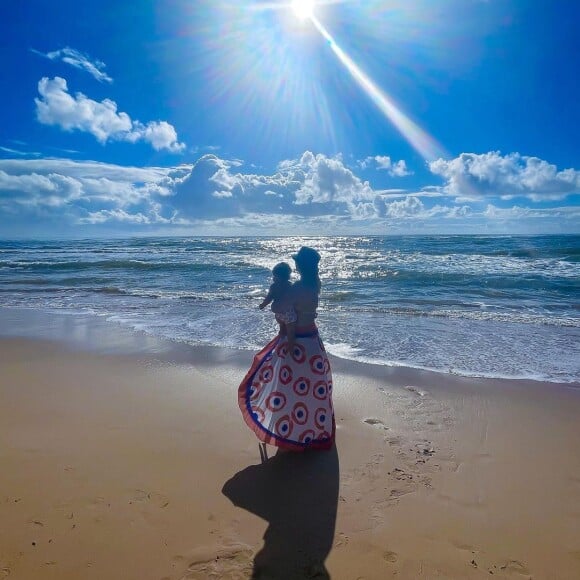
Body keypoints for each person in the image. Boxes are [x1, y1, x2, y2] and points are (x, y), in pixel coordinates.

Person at [238, 247, 335, 452]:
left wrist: (273, 296)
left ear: (301, 266)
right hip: (313, 340)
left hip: (296, 342)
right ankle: (315, 430)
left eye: (297, 261)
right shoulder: (315, 285)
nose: (295, 264)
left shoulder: (296, 289)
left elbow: (277, 308)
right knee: (313, 387)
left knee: (291, 388)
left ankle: (293, 433)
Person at [258, 262, 296, 339]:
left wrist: (263, 305)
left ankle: (281, 340)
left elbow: (269, 298)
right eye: (273, 275)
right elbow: (295, 298)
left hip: (278, 313)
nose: (273, 278)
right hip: (288, 313)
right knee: (290, 332)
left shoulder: (274, 286)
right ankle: (290, 347)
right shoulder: (290, 286)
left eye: (275, 276)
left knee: (282, 328)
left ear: (283, 277)